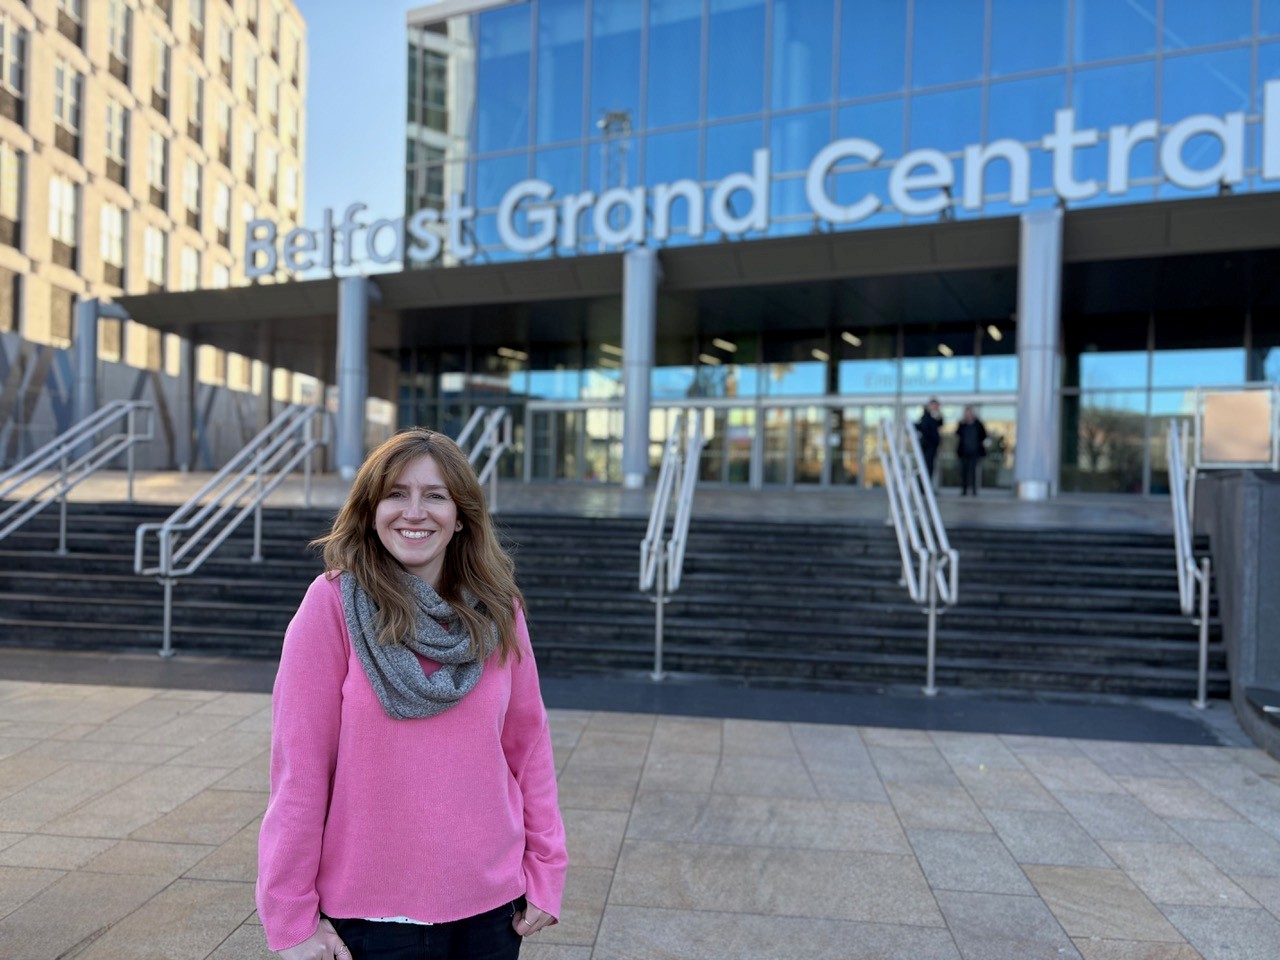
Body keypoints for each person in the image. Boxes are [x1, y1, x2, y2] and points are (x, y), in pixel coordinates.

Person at [257, 428, 567, 960]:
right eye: (396, 494)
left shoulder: (499, 611)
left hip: (491, 912)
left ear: (461, 514)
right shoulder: (331, 607)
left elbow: (528, 748)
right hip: (372, 919)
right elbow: (300, 772)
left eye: (435, 495)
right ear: (371, 510)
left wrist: (546, 868)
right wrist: (290, 915)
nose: (414, 512)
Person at [956, 405, 988, 496]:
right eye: (966, 413)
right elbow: (957, 434)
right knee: (963, 472)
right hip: (963, 452)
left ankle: (974, 490)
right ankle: (964, 490)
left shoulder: (978, 424)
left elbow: (984, 435)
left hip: (975, 452)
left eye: (969, 413)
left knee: (973, 471)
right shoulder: (962, 424)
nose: (968, 415)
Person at [915, 398, 944, 482]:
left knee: (930, 467)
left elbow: (940, 423)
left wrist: (938, 414)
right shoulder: (926, 417)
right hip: (926, 446)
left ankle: (927, 486)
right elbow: (923, 428)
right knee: (926, 466)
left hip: (932, 446)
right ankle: (923, 486)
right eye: (933, 406)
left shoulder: (935, 417)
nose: (935, 408)